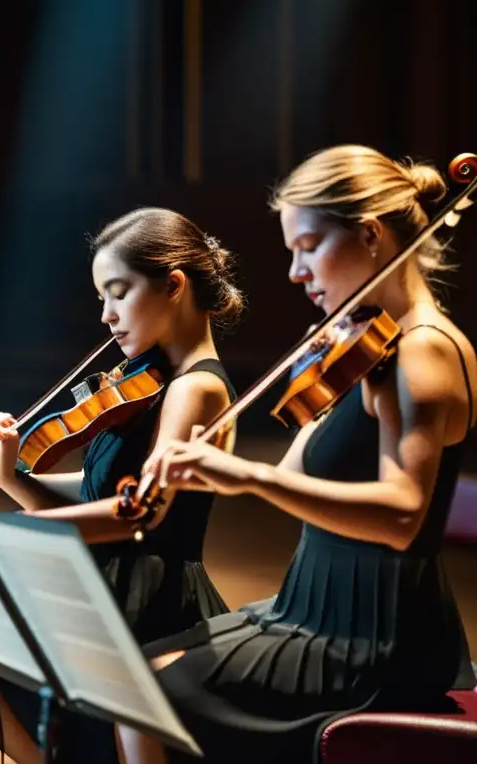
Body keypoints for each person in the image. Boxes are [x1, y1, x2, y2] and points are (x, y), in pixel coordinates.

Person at [128, 145, 477, 764]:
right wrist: (207, 467)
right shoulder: (371, 347)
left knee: (143, 698)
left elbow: (404, 515)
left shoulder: (425, 351)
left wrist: (245, 473)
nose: (294, 271)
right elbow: (290, 478)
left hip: (367, 631)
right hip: (312, 603)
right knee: (133, 670)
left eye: (308, 246)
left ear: (369, 235)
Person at [0, 207, 246, 764]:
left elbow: (136, 513)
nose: (106, 316)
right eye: (101, 298)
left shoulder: (197, 389)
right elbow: (95, 492)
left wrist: (14, 532)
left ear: (173, 286)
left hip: (146, 601)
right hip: (105, 580)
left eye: (117, 293)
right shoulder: (145, 383)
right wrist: (10, 475)